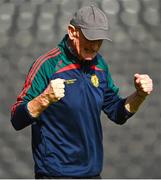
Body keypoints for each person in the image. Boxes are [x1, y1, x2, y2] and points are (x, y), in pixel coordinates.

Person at [11, 5, 153, 179]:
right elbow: (16, 119)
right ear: (72, 32)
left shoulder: (99, 65)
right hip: (55, 174)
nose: (94, 46)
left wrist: (139, 95)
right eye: (90, 38)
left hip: (92, 174)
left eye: (99, 40)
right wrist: (44, 99)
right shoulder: (47, 65)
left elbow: (117, 113)